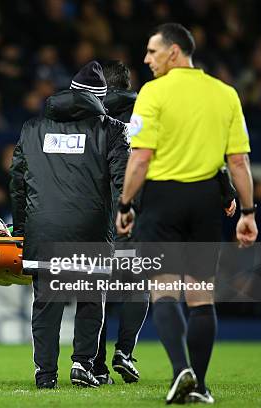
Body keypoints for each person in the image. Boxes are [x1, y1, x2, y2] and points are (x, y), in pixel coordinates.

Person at [116, 23, 257, 404]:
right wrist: (248, 212)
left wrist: (126, 204)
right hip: (206, 200)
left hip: (163, 199)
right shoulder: (225, 94)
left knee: (163, 289)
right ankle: (202, 387)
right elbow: (239, 162)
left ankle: (182, 370)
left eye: (152, 52)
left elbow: (141, 157)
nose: (146, 59)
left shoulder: (153, 92)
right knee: (200, 296)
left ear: (174, 52)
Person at [10, 61, 130, 389]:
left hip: (43, 230)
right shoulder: (112, 130)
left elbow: (17, 180)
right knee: (91, 299)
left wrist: (22, 227)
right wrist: (125, 223)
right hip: (90, 231)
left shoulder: (32, 128)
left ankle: (45, 373)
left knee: (46, 304)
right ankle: (82, 365)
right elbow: (124, 184)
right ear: (100, 99)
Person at [91, 60, 150, 385]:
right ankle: (124, 352)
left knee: (94, 288)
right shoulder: (146, 114)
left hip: (93, 215)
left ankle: (95, 365)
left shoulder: (87, 114)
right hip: (132, 211)